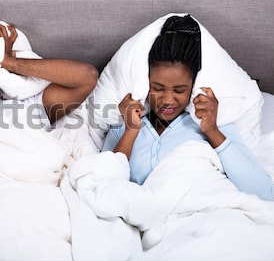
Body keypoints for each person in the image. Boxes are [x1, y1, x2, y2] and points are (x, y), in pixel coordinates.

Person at [101, 14, 273, 201]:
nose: (167, 99)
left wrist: (213, 131)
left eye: (179, 90)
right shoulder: (124, 127)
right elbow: (105, 187)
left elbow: (264, 192)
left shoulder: (214, 126)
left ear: (192, 88)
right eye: (157, 88)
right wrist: (130, 132)